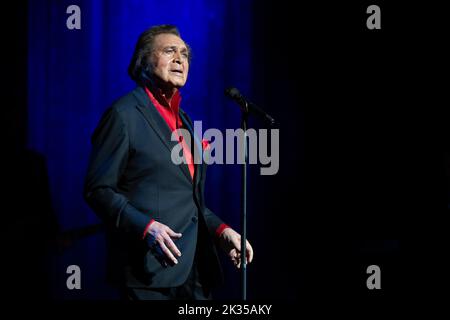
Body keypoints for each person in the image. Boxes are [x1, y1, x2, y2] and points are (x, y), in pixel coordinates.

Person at [84, 24, 253, 300]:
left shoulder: (184, 121)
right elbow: (98, 189)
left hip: (195, 273)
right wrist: (145, 227)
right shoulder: (124, 114)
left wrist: (222, 231)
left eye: (184, 54)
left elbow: (188, 201)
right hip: (148, 273)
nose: (180, 59)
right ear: (143, 61)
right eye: (169, 51)